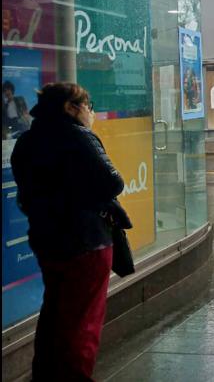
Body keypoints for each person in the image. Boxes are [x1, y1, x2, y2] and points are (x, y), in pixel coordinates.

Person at [10, 83, 126, 381]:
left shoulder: (27, 141)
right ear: (71, 107)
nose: (91, 112)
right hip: (86, 241)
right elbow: (113, 183)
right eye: (88, 106)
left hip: (48, 238)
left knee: (55, 314)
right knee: (83, 323)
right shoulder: (79, 136)